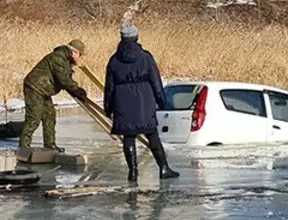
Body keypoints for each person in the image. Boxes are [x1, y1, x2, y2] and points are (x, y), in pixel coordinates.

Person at [104, 24, 180, 183]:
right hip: (144, 101)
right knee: (152, 134)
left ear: (122, 38)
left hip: (122, 102)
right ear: (136, 37)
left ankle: (133, 172)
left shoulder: (114, 60)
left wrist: (108, 107)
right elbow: (156, 82)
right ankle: (164, 168)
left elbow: (109, 87)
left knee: (128, 136)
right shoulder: (146, 58)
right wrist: (162, 101)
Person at [19, 39, 88, 151]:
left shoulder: (65, 60)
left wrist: (76, 90)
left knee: (50, 116)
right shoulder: (58, 58)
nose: (79, 57)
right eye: (80, 54)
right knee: (34, 119)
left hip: (44, 90)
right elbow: (64, 80)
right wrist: (77, 89)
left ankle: (49, 145)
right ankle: (23, 147)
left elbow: (66, 79)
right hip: (34, 88)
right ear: (74, 52)